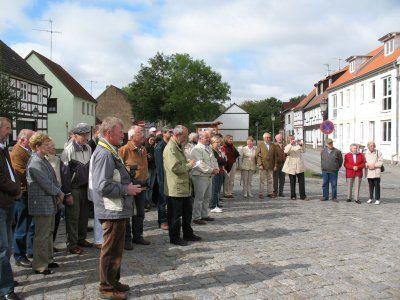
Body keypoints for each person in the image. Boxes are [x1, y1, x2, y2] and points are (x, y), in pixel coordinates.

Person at [89, 117, 141, 299]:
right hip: (111, 210)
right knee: (110, 251)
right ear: (109, 133)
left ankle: (114, 282)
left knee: (116, 250)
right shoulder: (104, 154)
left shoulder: (110, 150)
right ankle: (106, 289)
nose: (123, 135)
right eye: (120, 132)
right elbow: (102, 186)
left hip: (116, 209)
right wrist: (126, 189)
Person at [27, 133, 64, 275]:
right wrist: (59, 193)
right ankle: (40, 265)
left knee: (48, 232)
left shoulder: (43, 159)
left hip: (48, 202)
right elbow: (46, 183)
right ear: (37, 146)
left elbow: (52, 179)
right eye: (45, 144)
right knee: (42, 235)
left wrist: (57, 191)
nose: (48, 146)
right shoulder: (36, 161)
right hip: (41, 203)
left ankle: (48, 259)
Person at [163, 125, 201, 246]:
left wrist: (188, 164)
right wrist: (190, 165)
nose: (186, 139)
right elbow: (175, 167)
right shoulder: (171, 148)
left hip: (184, 187)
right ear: (178, 135)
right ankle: (174, 237)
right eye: (185, 136)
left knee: (187, 213)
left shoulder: (178, 145)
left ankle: (188, 233)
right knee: (175, 215)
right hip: (175, 188)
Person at [61, 123, 92, 254]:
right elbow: (64, 173)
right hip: (73, 188)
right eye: (82, 135)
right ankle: (72, 244)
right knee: (73, 218)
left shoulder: (89, 148)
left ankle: (81, 239)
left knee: (84, 216)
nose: (85, 137)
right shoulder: (68, 150)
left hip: (85, 188)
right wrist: (67, 193)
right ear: (75, 136)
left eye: (86, 134)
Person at [119, 126, 151, 249]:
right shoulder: (124, 150)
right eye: (140, 133)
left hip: (141, 186)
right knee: (127, 213)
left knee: (140, 213)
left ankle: (138, 236)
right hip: (129, 187)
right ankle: (126, 239)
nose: (143, 135)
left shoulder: (142, 149)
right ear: (132, 136)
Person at [0, 117, 21, 300]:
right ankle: (6, 289)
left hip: (8, 203)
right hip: (1, 204)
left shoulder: (4, 148)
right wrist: (17, 188)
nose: (9, 131)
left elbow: (10, 173)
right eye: (7, 128)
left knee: (7, 247)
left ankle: (4, 279)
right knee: (3, 247)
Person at [10, 129, 35, 268]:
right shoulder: (17, 152)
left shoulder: (27, 150)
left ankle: (28, 251)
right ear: (22, 139)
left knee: (28, 224)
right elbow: (21, 172)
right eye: (31, 138)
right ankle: (19, 255)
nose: (33, 141)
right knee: (21, 226)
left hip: (28, 193)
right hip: (22, 194)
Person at [46, 139, 73, 249]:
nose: (53, 148)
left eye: (54, 146)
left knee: (56, 221)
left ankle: (51, 244)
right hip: (49, 194)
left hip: (59, 193)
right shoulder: (44, 160)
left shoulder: (58, 159)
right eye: (51, 146)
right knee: (47, 224)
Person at [190, 131, 219, 225]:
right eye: (206, 138)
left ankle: (205, 214)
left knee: (207, 197)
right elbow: (199, 164)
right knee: (199, 198)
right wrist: (212, 170)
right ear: (200, 138)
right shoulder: (196, 149)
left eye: (209, 137)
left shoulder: (208, 148)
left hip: (208, 176)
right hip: (200, 176)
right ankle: (196, 217)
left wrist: (216, 168)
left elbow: (214, 159)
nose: (208, 139)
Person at [154, 127, 172, 230]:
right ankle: (162, 221)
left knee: (169, 200)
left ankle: (169, 219)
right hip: (163, 177)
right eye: (169, 132)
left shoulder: (170, 144)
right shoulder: (160, 147)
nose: (171, 133)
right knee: (162, 201)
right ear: (164, 134)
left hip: (170, 177)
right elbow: (160, 165)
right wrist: (162, 180)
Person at [282, 136, 307, 200]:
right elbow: (286, 151)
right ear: (288, 140)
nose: (293, 140)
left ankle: (303, 196)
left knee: (301, 182)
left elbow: (304, 151)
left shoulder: (298, 145)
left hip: (299, 165)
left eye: (293, 139)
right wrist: (291, 144)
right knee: (292, 182)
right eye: (291, 139)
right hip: (291, 166)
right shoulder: (288, 146)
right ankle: (293, 195)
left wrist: (301, 145)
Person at [256, 133, 278, 199]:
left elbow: (275, 156)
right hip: (263, 166)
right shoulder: (260, 144)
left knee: (270, 180)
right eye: (267, 137)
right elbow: (257, 155)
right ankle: (261, 193)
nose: (269, 139)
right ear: (264, 138)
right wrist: (260, 164)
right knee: (262, 180)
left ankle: (270, 193)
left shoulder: (273, 145)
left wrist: (275, 165)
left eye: (269, 137)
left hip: (271, 166)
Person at [210, 135, 226, 212]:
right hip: (215, 171)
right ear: (213, 142)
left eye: (220, 142)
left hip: (220, 170)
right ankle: (213, 205)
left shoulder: (218, 150)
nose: (219, 143)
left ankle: (216, 203)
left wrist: (223, 160)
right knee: (214, 189)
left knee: (218, 189)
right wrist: (223, 160)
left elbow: (224, 160)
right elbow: (220, 160)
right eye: (217, 142)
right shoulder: (212, 150)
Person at [145, 135, 157, 208]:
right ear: (148, 139)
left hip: (153, 168)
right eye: (151, 139)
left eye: (153, 140)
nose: (152, 141)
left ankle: (150, 201)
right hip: (148, 169)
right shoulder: (146, 148)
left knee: (151, 186)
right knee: (148, 186)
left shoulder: (154, 148)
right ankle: (147, 202)